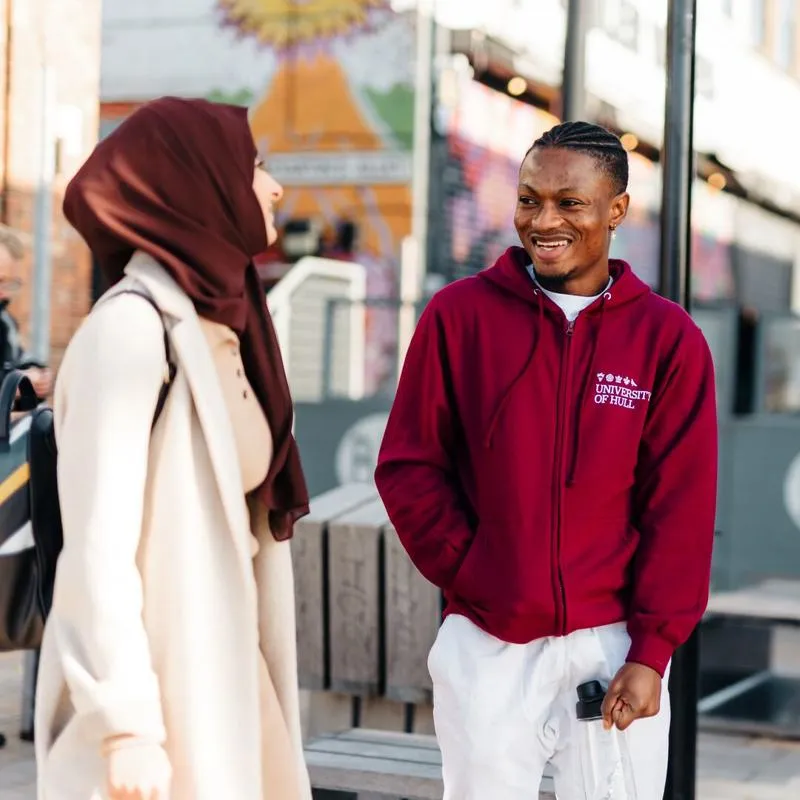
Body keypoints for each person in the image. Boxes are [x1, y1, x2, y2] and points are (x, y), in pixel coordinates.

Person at [375, 121, 717, 799]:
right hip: (488, 640)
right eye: (530, 199)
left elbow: (680, 508)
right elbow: (409, 466)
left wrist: (651, 651)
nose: (544, 220)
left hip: (612, 643)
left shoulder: (666, 340)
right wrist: (477, 572)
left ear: (616, 209)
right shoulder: (458, 318)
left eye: (570, 202)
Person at [34, 97, 312, 800]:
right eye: (253, 167)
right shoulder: (131, 330)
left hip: (232, 680)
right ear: (200, 181)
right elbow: (97, 551)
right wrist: (125, 725)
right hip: (160, 693)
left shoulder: (229, 322)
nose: (274, 187)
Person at [0, 226, 52, 397]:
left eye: (11, 283)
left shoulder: (5, 322)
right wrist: (12, 386)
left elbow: (17, 359)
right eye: (0, 280)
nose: (5, 293)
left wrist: (38, 372)